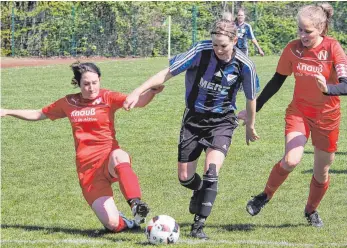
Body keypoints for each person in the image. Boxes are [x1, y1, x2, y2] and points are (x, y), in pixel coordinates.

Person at [123, 15, 260, 239]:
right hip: (193, 120)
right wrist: (138, 91)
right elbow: (167, 72)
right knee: (185, 177)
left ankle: (199, 226)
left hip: (222, 121)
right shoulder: (200, 51)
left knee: (211, 171)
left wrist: (250, 125)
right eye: (215, 44)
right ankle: (199, 191)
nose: (218, 49)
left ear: (235, 41)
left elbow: (251, 98)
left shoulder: (245, 65)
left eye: (223, 45)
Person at [1, 62, 164, 233]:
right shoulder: (68, 102)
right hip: (87, 169)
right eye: (86, 84)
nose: (91, 88)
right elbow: (38, 114)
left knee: (119, 155)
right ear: (78, 83)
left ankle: (136, 203)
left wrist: (151, 92)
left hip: (108, 158)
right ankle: (128, 223)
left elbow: (139, 102)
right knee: (112, 225)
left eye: (94, 82)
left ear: (99, 80)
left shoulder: (108, 97)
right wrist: (7, 111)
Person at [239, 3, 347, 227]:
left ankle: (311, 210)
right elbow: (277, 81)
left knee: (322, 172)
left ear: (321, 29)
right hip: (299, 113)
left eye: (308, 31)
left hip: (327, 118)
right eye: (299, 29)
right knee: (291, 159)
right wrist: (253, 110)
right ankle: (265, 195)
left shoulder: (333, 48)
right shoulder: (292, 49)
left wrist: (328, 89)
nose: (302, 35)